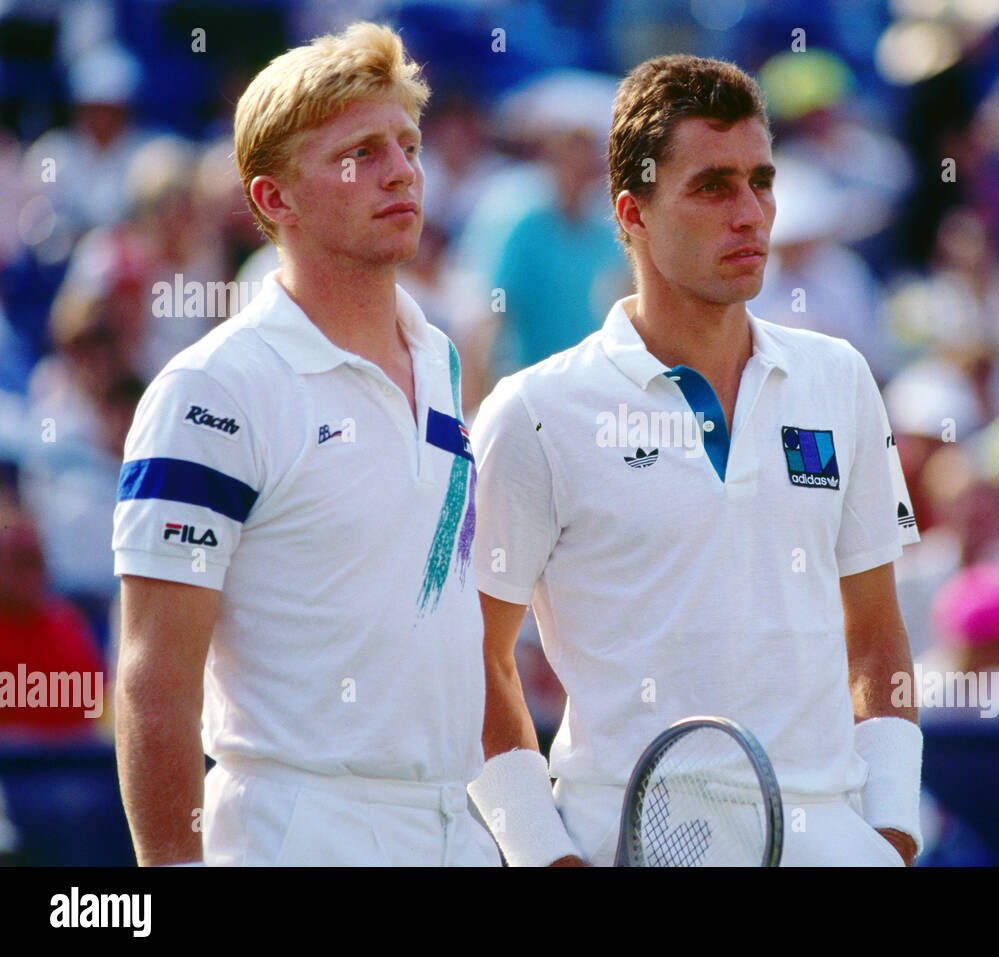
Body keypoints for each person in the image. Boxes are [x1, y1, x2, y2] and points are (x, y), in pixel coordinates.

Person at [467, 55, 922, 867]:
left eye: (761, 180)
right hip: (623, 838)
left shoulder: (842, 378)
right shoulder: (533, 412)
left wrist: (892, 832)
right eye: (713, 186)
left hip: (829, 839)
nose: (751, 213)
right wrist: (544, 855)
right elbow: (473, 658)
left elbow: (878, 633)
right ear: (631, 212)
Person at [111, 22, 497, 866]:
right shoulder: (211, 388)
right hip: (298, 830)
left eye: (407, 143)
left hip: (458, 826)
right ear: (274, 199)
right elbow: (152, 681)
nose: (401, 170)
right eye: (359, 152)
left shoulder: (438, 354)